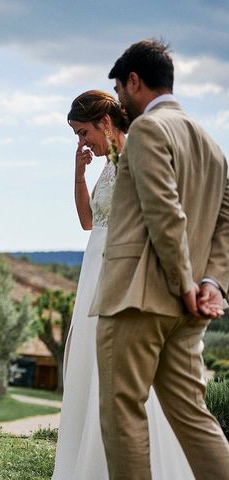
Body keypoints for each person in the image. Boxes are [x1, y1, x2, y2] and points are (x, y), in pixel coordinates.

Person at [91, 38, 229, 479]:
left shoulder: (150, 129)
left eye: (120, 89)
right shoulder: (211, 143)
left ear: (135, 81)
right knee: (194, 415)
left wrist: (186, 283)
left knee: (122, 413)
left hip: (137, 299)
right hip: (188, 311)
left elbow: (163, 212)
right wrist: (212, 284)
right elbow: (225, 223)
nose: (121, 101)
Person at [52, 90, 194, 479]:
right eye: (77, 137)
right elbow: (88, 222)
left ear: (106, 123)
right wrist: (79, 173)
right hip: (93, 272)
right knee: (87, 370)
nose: (83, 143)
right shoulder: (109, 164)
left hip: (120, 276)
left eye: (84, 133)